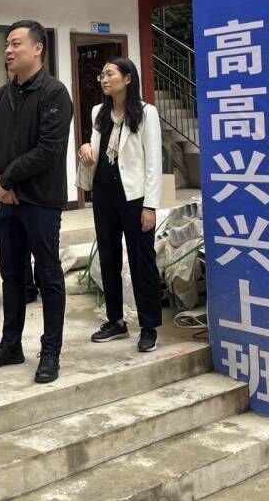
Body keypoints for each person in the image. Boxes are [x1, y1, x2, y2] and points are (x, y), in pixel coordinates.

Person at [0, 20, 73, 384]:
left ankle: (50, 352)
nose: (8, 51)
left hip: (41, 201)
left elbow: (48, 150)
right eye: (6, 45)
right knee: (11, 275)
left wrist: (5, 179)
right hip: (8, 202)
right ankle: (11, 345)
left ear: (38, 48)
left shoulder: (54, 93)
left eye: (16, 44)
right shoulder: (4, 94)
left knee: (48, 275)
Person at [78, 58, 164, 353]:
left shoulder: (146, 113)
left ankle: (149, 326)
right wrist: (86, 148)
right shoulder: (98, 112)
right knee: (108, 256)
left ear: (128, 79)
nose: (104, 79)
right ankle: (115, 320)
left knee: (142, 260)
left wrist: (150, 206)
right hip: (104, 194)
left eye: (110, 74)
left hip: (135, 197)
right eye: (102, 75)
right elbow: (95, 146)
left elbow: (153, 162)